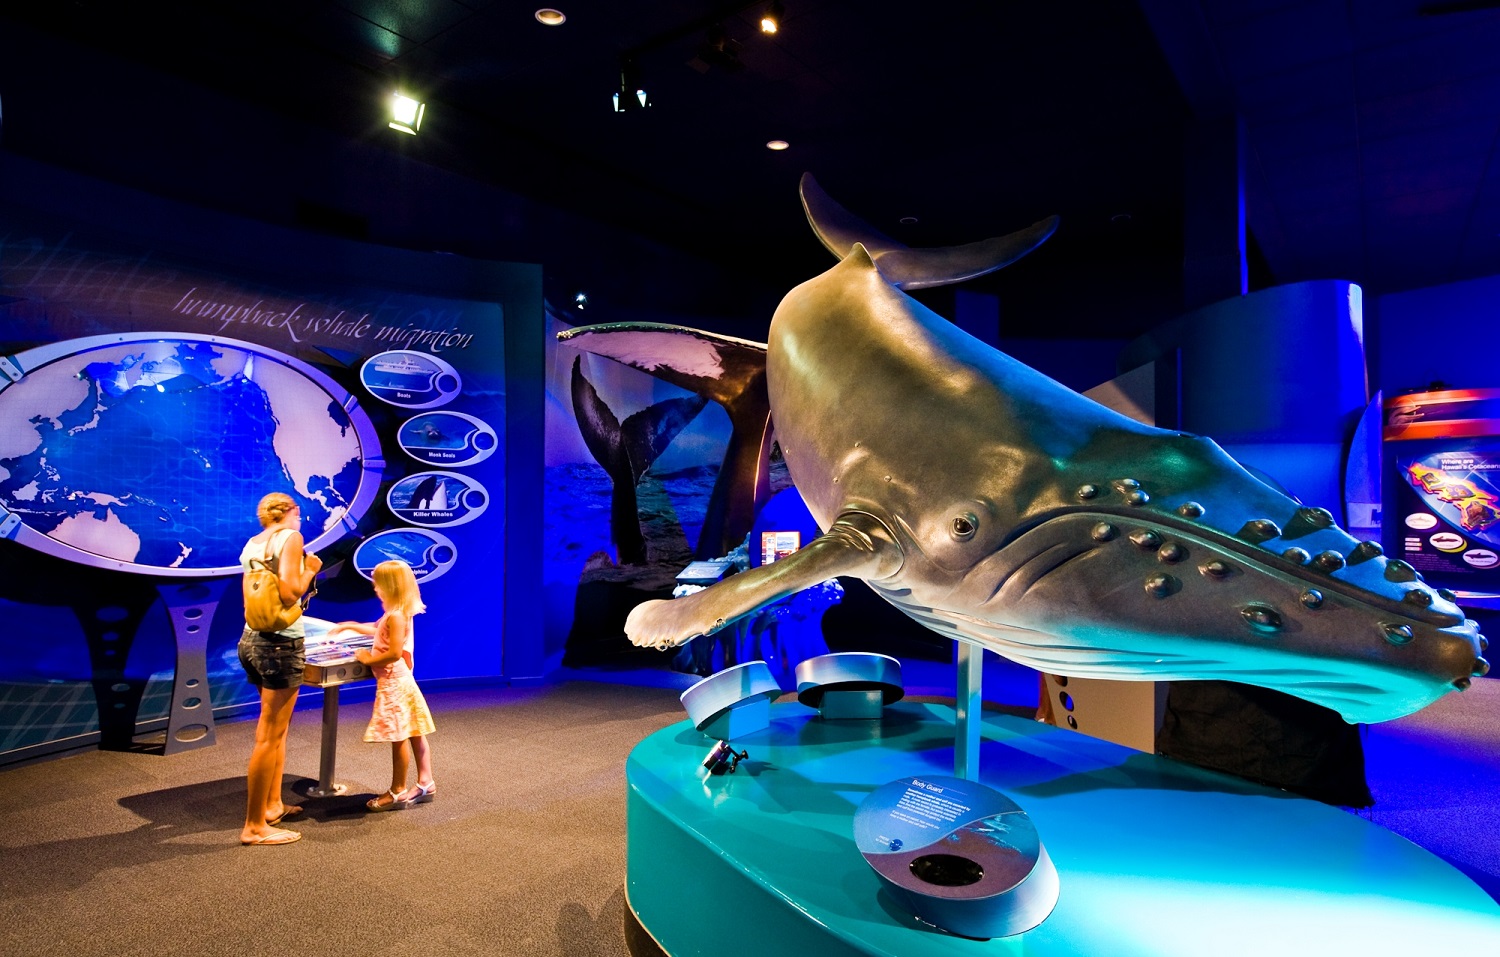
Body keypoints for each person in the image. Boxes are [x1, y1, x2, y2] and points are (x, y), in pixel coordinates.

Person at [238, 492, 321, 846]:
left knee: (277, 732)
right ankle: (255, 825)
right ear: (291, 512)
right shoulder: (290, 537)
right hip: (279, 644)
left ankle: (272, 805)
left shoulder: (253, 543)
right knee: (269, 735)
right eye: (299, 513)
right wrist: (310, 570)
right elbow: (289, 594)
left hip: (251, 641)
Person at [343, 559, 436, 811]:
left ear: (390, 586)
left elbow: (394, 653)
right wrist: (351, 626)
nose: (375, 588)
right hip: (402, 680)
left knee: (400, 736)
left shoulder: (396, 617)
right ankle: (426, 782)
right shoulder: (396, 613)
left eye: (378, 584)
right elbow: (376, 629)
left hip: (394, 682)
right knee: (415, 731)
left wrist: (368, 658)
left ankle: (397, 791)